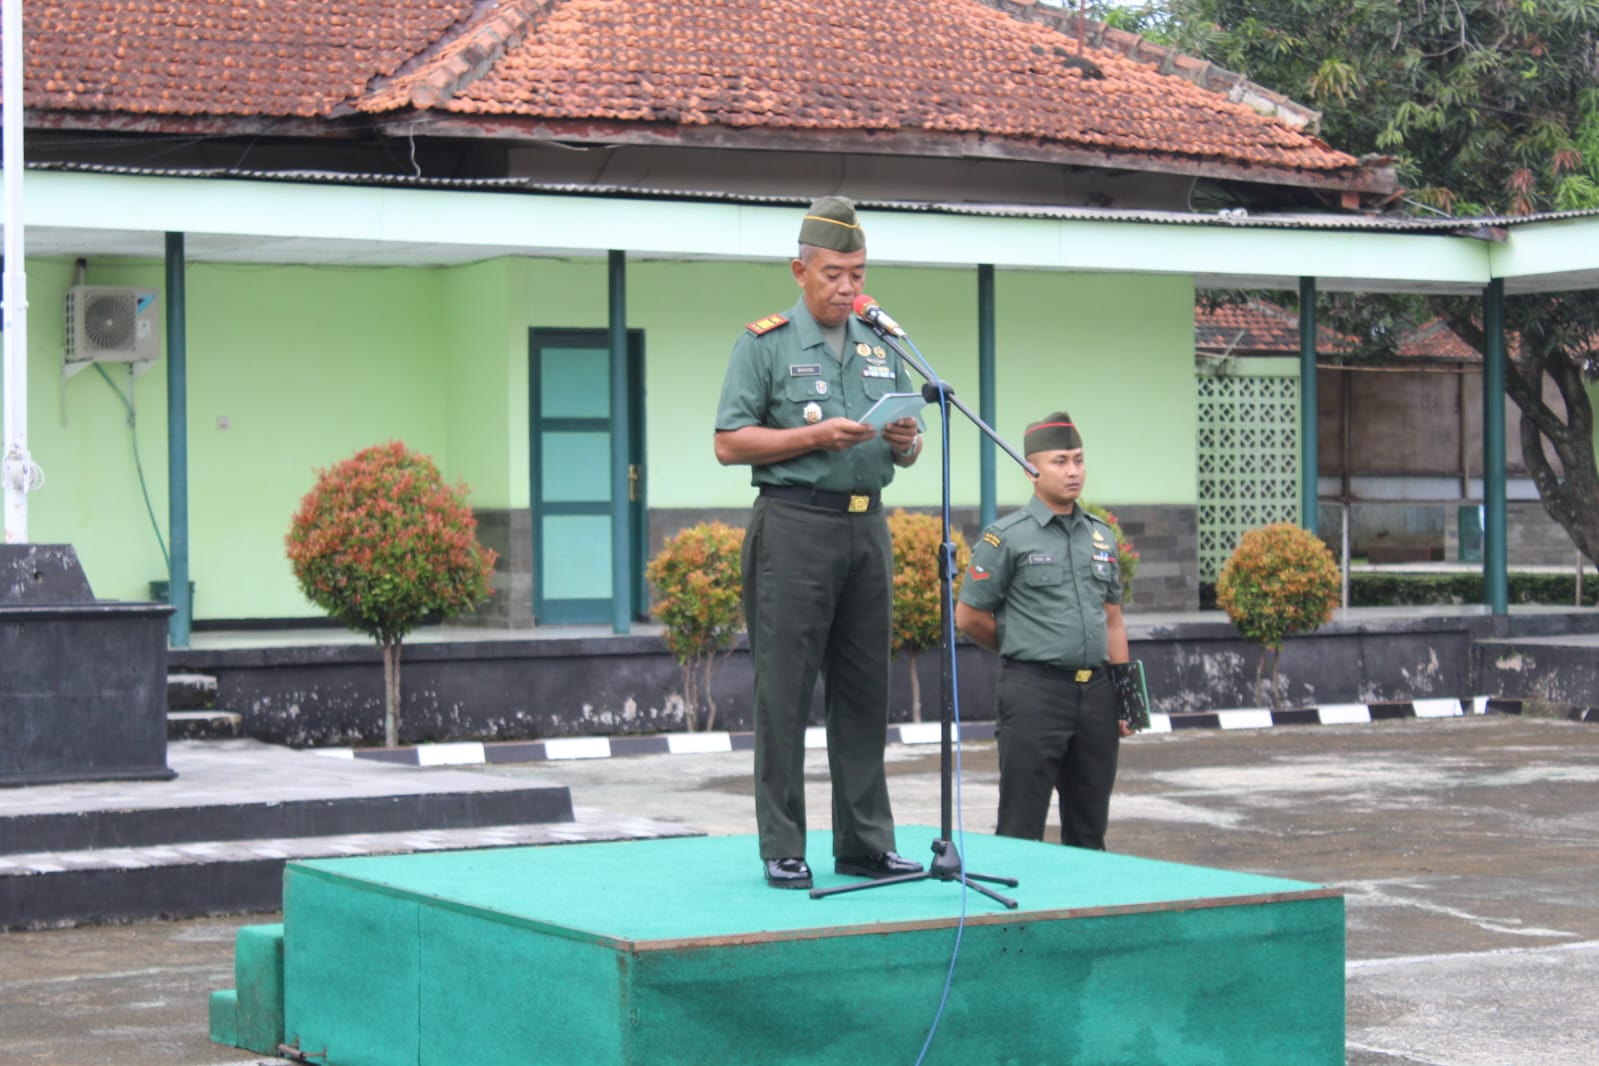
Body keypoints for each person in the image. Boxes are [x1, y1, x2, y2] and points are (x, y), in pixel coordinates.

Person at [713, 195, 926, 890]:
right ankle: (782, 843)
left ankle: (865, 842)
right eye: (833, 273)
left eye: (857, 274)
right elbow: (728, 442)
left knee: (865, 692)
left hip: (868, 527)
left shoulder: (881, 342)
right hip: (794, 526)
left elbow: (907, 450)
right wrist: (812, 436)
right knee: (784, 692)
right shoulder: (765, 344)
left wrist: (907, 440)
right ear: (799, 270)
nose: (846, 287)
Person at [954, 411, 1135, 849]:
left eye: (1079, 460)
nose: (1073, 471)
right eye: (1060, 461)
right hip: (1034, 693)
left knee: (1090, 828)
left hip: (1097, 695)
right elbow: (969, 617)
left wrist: (1127, 698)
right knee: (1021, 826)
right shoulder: (1006, 538)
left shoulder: (1101, 536)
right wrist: (1023, 642)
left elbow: (1112, 619)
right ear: (1031, 470)